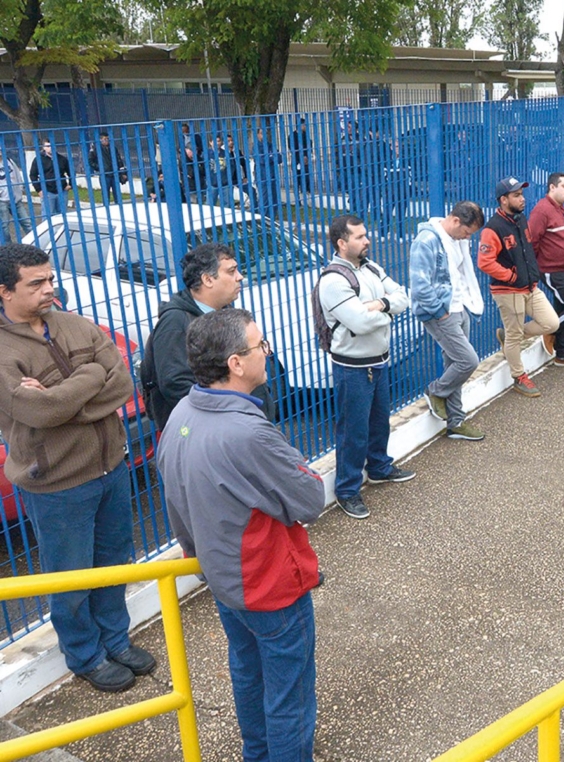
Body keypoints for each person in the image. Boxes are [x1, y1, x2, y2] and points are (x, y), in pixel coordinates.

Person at [157, 308, 325, 761]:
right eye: (259, 346)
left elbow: (177, 499)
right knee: (289, 696)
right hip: (269, 583)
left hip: (224, 577)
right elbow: (310, 498)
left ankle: (258, 754)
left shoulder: (180, 415)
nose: (266, 353)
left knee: (249, 674)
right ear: (235, 362)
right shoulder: (248, 432)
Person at [0, 243, 156, 693]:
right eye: (37, 283)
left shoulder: (73, 323)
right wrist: (91, 377)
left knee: (113, 563)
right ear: (5, 291)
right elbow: (40, 414)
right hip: (57, 484)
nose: (51, 288)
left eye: (50, 279)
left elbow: (123, 381)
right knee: (71, 577)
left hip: (111, 468)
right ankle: (85, 655)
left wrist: (62, 395)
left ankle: (116, 639)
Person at [317, 214, 415, 520]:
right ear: (341, 243)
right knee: (353, 430)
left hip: (378, 359)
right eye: (359, 237)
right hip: (352, 367)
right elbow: (358, 322)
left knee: (378, 422)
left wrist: (380, 305)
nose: (367, 240)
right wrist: (388, 309)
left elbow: (403, 297)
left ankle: (378, 467)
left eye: (366, 235)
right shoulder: (333, 280)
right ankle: (347, 489)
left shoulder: (371, 267)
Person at [141, 243, 275, 431]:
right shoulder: (175, 322)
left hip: (244, 423)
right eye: (231, 271)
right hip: (214, 430)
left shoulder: (224, 312)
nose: (240, 277)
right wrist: (223, 417)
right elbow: (175, 383)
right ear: (208, 279)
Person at [409, 201, 488, 438]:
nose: (467, 238)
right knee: (468, 361)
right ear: (455, 221)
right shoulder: (427, 240)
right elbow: (420, 286)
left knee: (454, 363)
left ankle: (455, 422)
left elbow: (459, 274)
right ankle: (435, 391)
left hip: (458, 306)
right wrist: (439, 310)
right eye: (466, 232)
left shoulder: (455, 240)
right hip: (441, 312)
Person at [478, 176, 560, 394]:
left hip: (530, 286)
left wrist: (532, 274)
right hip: (509, 290)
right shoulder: (492, 228)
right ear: (503, 200)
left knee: (551, 323)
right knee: (514, 336)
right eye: (516, 195)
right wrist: (511, 276)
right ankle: (519, 376)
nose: (522, 199)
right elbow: (484, 262)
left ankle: (510, 338)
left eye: (521, 194)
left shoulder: (521, 219)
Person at [528, 173, 564, 369]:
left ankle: (562, 355)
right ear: (552, 188)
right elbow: (532, 243)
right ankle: (551, 330)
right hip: (553, 272)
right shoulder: (542, 210)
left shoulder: (561, 210)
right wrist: (537, 268)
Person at [28, 139, 72, 217]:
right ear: (44, 147)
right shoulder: (38, 159)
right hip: (47, 191)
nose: (50, 148)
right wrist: (39, 190)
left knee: (62, 216)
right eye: (48, 146)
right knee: (47, 216)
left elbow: (71, 172)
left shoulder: (62, 159)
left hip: (62, 191)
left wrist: (70, 185)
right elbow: (33, 175)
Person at [0, 152, 34, 244]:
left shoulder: (8, 160)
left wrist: (20, 187)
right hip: (2, 200)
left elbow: (17, 174)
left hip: (15, 199)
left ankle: (35, 242)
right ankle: (7, 247)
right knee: (4, 226)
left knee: (27, 222)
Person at [87, 132, 126, 204]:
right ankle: (106, 207)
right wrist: (99, 167)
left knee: (117, 193)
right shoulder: (96, 149)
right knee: (105, 194)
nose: (107, 140)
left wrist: (122, 172)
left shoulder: (113, 148)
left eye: (108, 139)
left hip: (114, 173)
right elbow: (90, 161)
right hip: (104, 174)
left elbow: (119, 160)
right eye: (105, 139)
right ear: (100, 139)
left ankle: (118, 206)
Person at [291, 118, 312, 194]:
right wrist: (301, 157)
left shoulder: (305, 135)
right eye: (304, 125)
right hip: (297, 160)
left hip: (306, 160)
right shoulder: (292, 136)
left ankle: (307, 191)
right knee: (297, 177)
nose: (306, 126)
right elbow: (293, 149)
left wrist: (306, 156)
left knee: (307, 176)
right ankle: (298, 196)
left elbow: (309, 145)